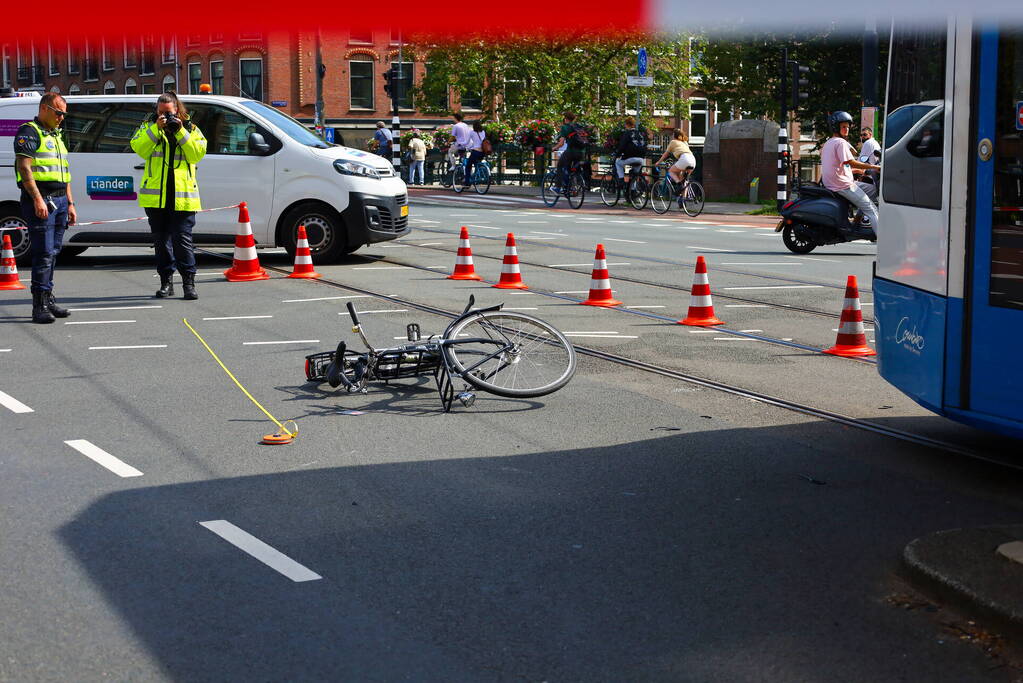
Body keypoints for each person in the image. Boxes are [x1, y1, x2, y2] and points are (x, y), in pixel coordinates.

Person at [130, 92, 208, 300]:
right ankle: (166, 283)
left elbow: (197, 154)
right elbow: (139, 149)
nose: (165, 116)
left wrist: (180, 131)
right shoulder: (148, 127)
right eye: (161, 113)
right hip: (156, 198)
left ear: (177, 110)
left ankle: (189, 284)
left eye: (169, 113)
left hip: (183, 197)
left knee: (183, 242)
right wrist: (157, 128)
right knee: (161, 243)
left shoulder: (191, 129)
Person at [14, 92, 76, 324]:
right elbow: (24, 168)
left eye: (64, 114)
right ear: (44, 109)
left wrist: (70, 203)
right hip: (42, 200)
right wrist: (38, 199)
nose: (62, 118)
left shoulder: (56, 135)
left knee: (54, 252)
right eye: (58, 113)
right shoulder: (29, 132)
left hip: (60, 201)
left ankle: (48, 299)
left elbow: (64, 173)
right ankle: (38, 306)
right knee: (43, 253)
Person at [820, 111, 881, 234]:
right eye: (843, 126)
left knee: (873, 191)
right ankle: (884, 240)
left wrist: (856, 170)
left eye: (848, 127)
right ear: (836, 127)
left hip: (835, 183)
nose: (846, 129)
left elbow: (838, 165)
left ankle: (857, 221)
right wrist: (875, 167)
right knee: (871, 209)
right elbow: (851, 162)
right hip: (843, 185)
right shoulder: (840, 142)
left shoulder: (828, 143)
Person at [552, 111, 586, 191]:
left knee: (560, 165)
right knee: (572, 170)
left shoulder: (565, 127)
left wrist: (554, 148)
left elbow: (561, 143)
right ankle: (573, 187)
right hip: (581, 152)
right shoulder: (578, 126)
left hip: (571, 151)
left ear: (565, 118)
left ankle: (558, 187)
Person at [613, 116, 647, 187]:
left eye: (625, 124)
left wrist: (617, 155)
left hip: (630, 158)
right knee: (635, 175)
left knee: (617, 162)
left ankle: (621, 180)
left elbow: (622, 146)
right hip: (641, 159)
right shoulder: (640, 134)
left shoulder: (627, 133)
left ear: (627, 124)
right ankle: (633, 190)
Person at [447, 113, 472, 183]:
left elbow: (453, 137)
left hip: (460, 145)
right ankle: (465, 172)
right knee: (463, 159)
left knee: (450, 151)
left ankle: (453, 166)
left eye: (453, 118)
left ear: (455, 118)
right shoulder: (466, 125)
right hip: (468, 145)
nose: (453, 119)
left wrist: (448, 142)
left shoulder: (456, 126)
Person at [464, 121, 486, 188]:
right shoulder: (483, 132)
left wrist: (463, 145)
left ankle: (467, 182)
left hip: (475, 151)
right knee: (476, 164)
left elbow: (467, 142)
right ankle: (475, 177)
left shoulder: (472, 132)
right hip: (482, 152)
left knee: (468, 166)